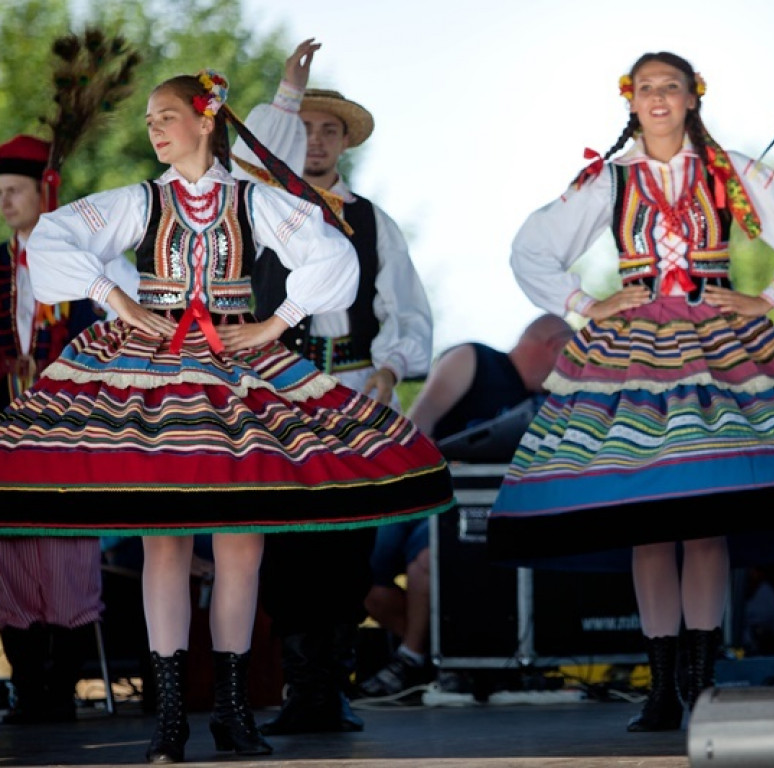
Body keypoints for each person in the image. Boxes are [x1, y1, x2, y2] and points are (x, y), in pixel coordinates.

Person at [0, 69, 452, 764]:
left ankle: (235, 711)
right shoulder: (139, 201)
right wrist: (119, 303)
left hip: (239, 368)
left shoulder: (256, 201)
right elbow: (52, 242)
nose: (154, 127)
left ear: (206, 121)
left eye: (167, 115)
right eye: (151, 117)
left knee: (242, 545)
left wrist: (277, 323)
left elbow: (331, 255)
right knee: (165, 541)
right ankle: (173, 715)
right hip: (152, 370)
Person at [487, 51, 774, 733]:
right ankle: (660, 688)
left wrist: (769, 296)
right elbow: (531, 247)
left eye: (670, 88)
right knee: (648, 523)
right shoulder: (608, 178)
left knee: (704, 521)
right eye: (646, 88)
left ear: (691, 97)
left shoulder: (728, 168)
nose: (658, 99)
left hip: (719, 344)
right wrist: (585, 304)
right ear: (630, 100)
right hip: (632, 352)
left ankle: (703, 684)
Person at [230, 39, 433, 731]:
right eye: (305, 128)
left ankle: (331, 689)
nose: (315, 141)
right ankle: (299, 689)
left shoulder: (373, 221)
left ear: (345, 143)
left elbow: (404, 309)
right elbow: (245, 154)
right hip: (280, 390)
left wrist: (389, 366)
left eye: (329, 130)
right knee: (287, 540)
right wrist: (288, 87)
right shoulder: (260, 206)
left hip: (350, 390)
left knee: (348, 544)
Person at [358, 312, 572, 698]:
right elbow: (416, 427)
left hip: (483, 513)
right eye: (569, 359)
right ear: (554, 346)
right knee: (359, 568)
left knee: (429, 560)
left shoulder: (550, 401)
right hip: (421, 493)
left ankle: (413, 657)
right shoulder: (474, 359)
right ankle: (431, 653)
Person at [0, 133, 108, 725]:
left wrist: (54, 374)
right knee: (12, 557)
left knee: (67, 560)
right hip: (6, 437)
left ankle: (62, 686)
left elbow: (98, 344)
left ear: (45, 193)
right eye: (1, 194)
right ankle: (26, 688)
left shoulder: (78, 268)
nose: (6, 202)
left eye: (15, 191)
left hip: (69, 437)